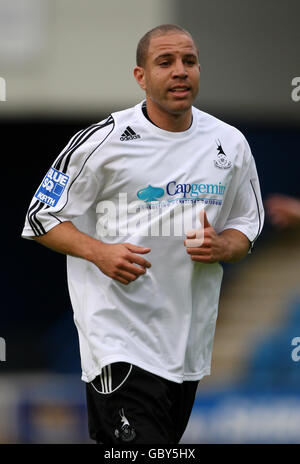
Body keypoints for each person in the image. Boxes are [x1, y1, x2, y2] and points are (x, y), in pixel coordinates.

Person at [22, 24, 264, 444]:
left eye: (188, 61)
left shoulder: (230, 143)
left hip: (187, 345)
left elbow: (246, 225)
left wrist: (223, 245)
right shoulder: (103, 141)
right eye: (165, 62)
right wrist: (100, 253)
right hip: (119, 338)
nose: (180, 71)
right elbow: (40, 216)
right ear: (140, 76)